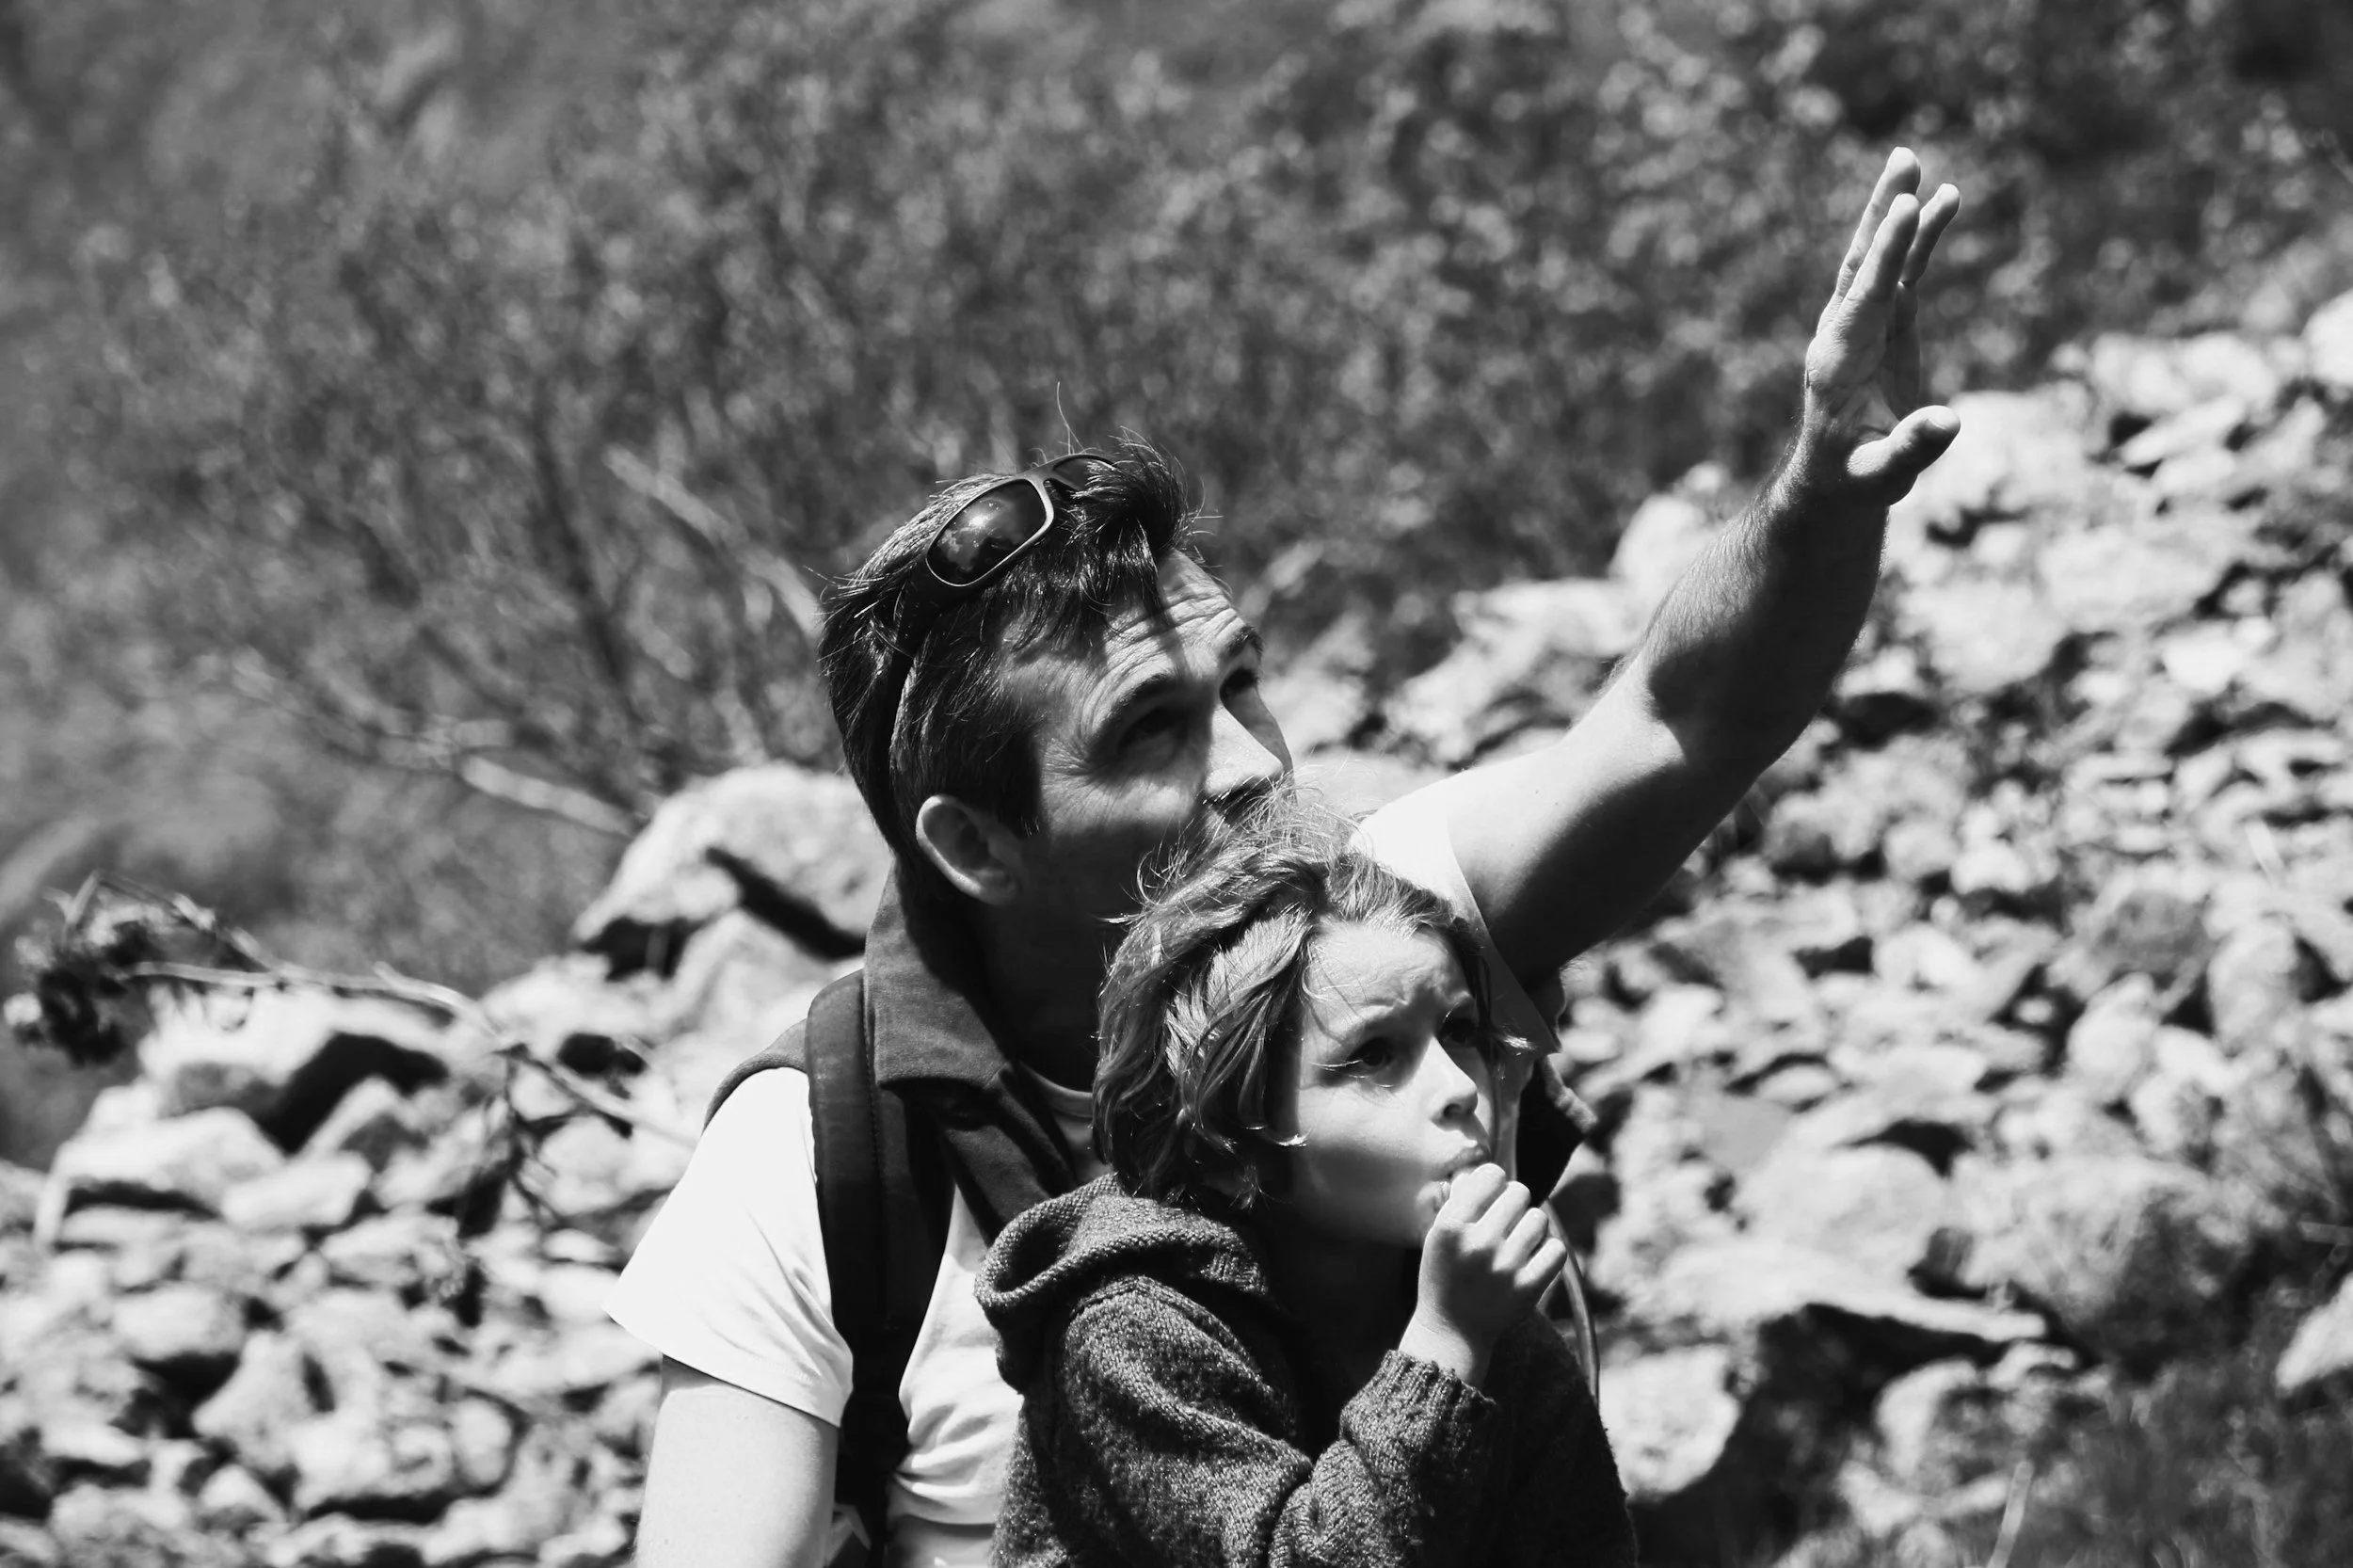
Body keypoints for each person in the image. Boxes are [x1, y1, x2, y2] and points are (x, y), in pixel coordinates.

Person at [613, 149, 1962, 1568]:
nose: (1258, 766)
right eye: (1151, 729)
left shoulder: (1380, 926)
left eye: (1241, 681)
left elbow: (1685, 715)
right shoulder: (820, 1161)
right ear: (977, 845)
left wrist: (1820, 493)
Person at [979, 801, 1639, 1568]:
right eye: (1374, 1056)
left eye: (1458, 1032)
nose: (1459, 1087)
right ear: (1230, 1142)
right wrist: (1445, 1348)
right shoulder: (1132, 1335)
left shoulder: (1489, 1317)